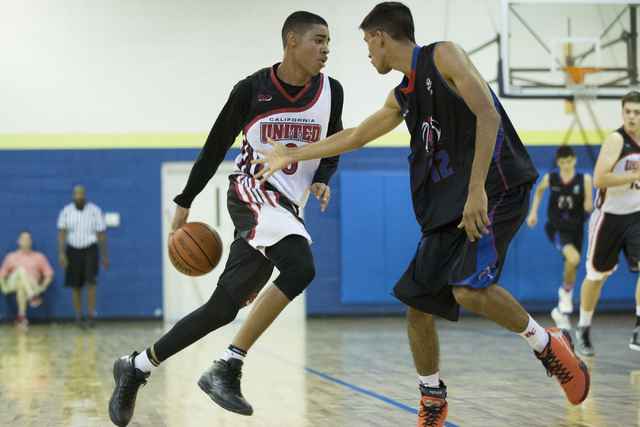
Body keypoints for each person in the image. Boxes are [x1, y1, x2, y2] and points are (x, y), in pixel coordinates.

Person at [252, 3, 590, 426]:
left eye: (365, 43)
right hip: (447, 209)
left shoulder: (443, 54)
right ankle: (432, 398)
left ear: (380, 37)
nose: (366, 53)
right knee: (416, 304)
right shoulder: (403, 94)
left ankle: (548, 344)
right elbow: (356, 135)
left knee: (468, 290)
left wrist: (475, 192)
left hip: (495, 189)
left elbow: (487, 111)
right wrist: (293, 153)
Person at [108, 11, 343, 427]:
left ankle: (137, 366)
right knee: (300, 266)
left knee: (221, 309)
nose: (327, 49)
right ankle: (228, 367)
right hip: (252, 193)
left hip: (286, 207)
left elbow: (335, 140)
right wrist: (185, 200)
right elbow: (216, 145)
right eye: (318, 40)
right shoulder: (252, 89)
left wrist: (323, 177)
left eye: (329, 42)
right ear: (292, 41)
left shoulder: (331, 91)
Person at [574, 91, 640, 357]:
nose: (632, 117)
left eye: (637, 112)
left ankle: (638, 326)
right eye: (628, 112)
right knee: (596, 276)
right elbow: (599, 179)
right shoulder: (616, 140)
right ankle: (583, 327)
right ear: (622, 113)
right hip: (609, 217)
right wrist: (635, 174)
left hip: (636, 215)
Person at [526, 146, 593, 329]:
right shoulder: (551, 178)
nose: (565, 165)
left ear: (574, 160)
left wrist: (589, 204)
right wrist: (533, 213)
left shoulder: (584, 179)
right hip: (556, 227)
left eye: (568, 162)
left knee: (572, 263)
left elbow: (589, 201)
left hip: (576, 228)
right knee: (573, 258)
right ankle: (565, 300)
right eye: (562, 163)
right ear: (558, 162)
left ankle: (561, 308)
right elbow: (539, 190)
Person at [57, 185, 109, 327]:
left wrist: (105, 255)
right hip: (72, 250)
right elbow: (62, 233)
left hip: (90, 249)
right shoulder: (66, 211)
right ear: (73, 196)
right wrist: (61, 253)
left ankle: (91, 314)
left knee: (90, 282)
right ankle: (79, 315)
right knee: (76, 284)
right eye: (76, 193)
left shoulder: (95, 211)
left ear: (85, 195)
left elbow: (101, 235)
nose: (79, 196)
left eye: (81, 193)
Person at [0, 231, 54, 328]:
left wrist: (43, 286)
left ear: (31, 241)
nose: (26, 242)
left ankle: (21, 317)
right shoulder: (10, 256)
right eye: (23, 239)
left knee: (22, 284)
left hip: (33, 283)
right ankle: (32, 296)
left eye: (28, 239)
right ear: (19, 241)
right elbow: (2, 275)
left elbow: (49, 274)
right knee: (21, 270)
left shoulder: (39, 256)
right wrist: (3, 287)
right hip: (12, 283)